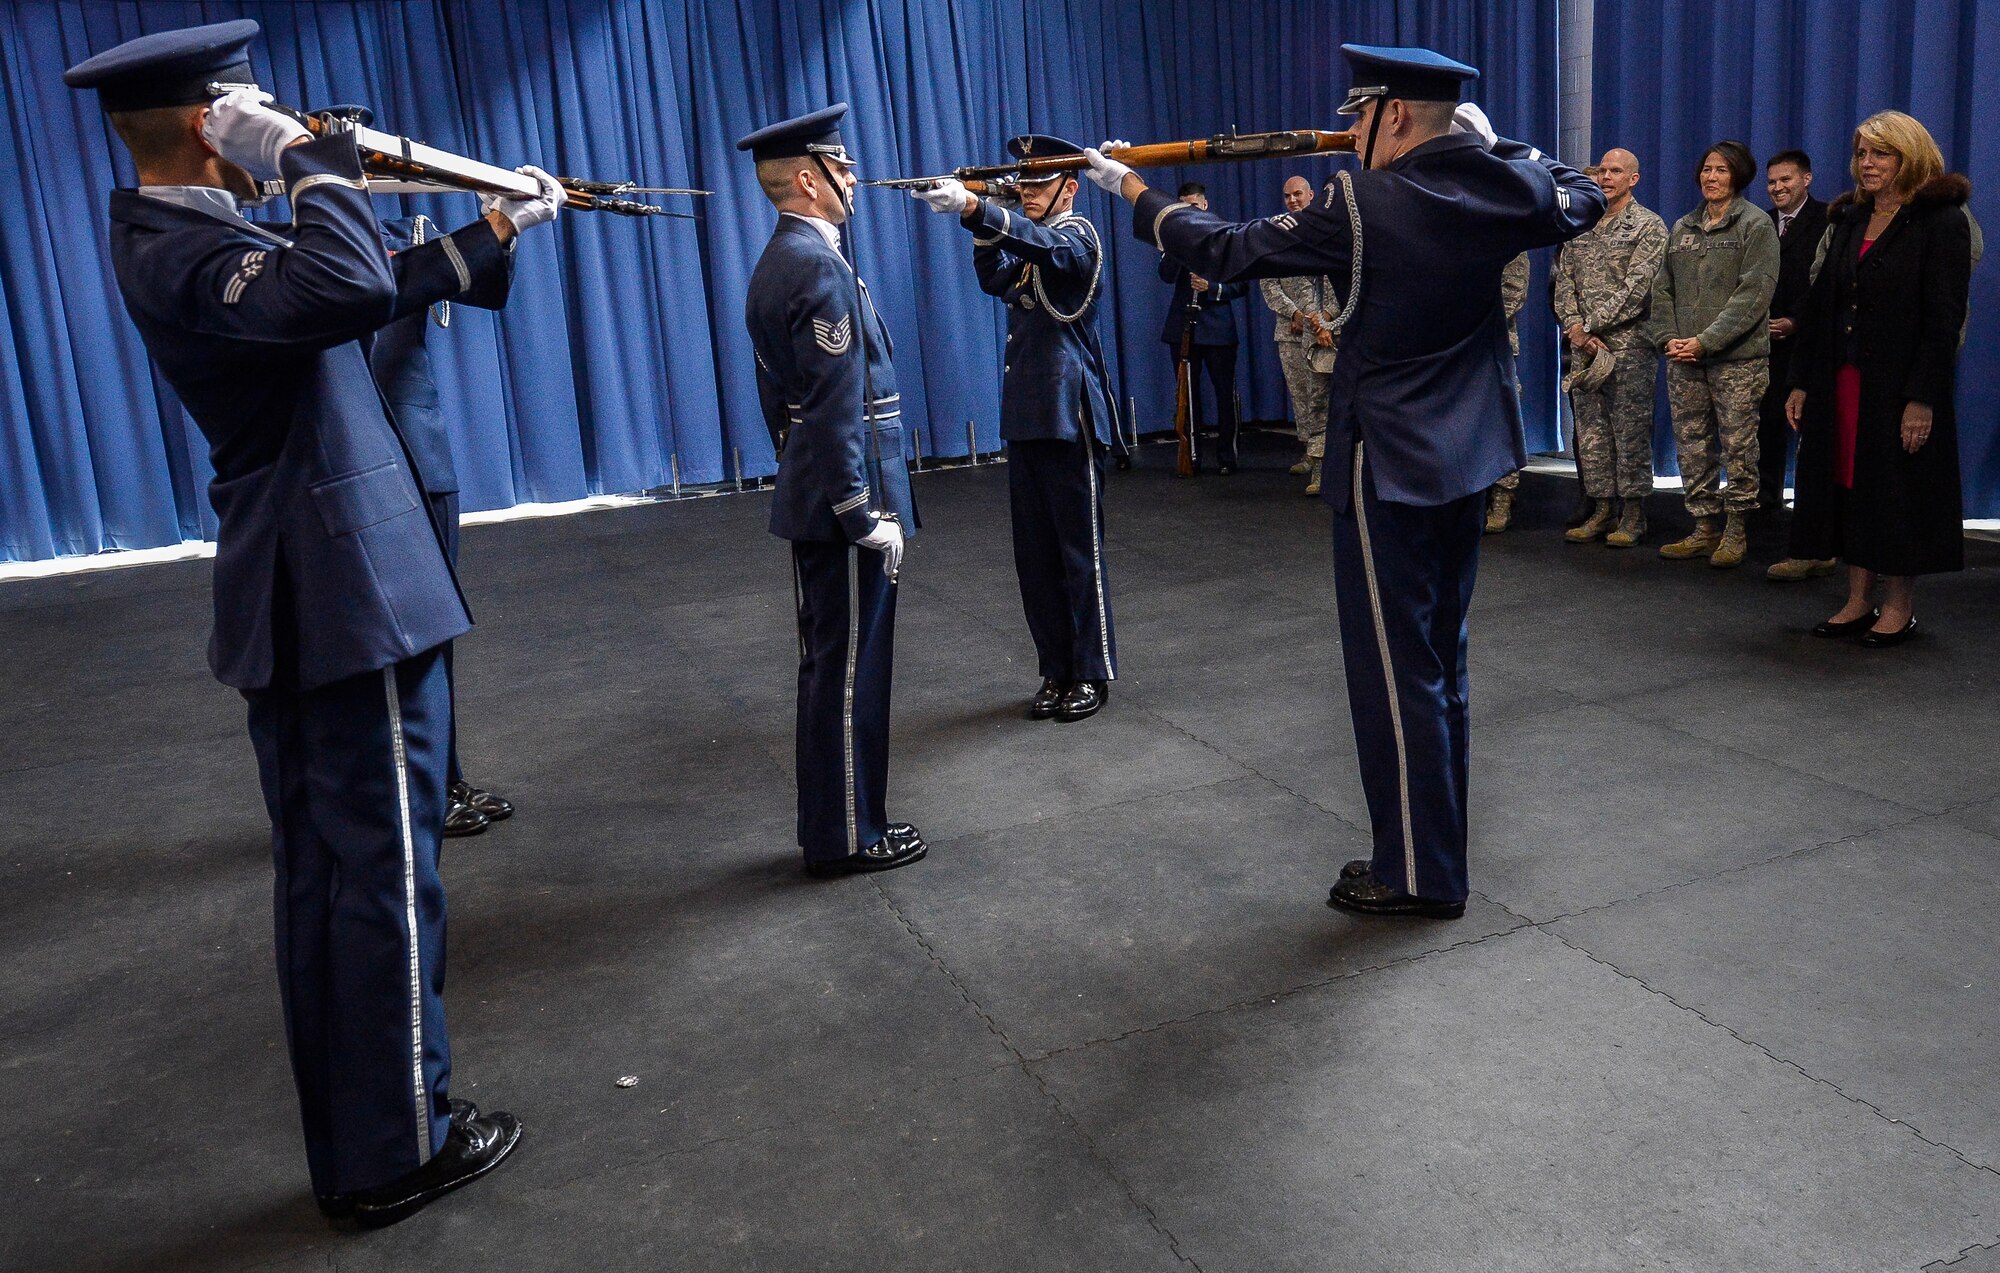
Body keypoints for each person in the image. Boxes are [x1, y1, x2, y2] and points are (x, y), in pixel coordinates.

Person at [64, 20, 556, 1224]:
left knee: (341, 877)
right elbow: (337, 281)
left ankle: (368, 1139)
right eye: (243, 105)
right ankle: (396, 1147)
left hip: (329, 586)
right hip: (340, 598)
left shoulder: (203, 237)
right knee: (381, 878)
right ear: (205, 123)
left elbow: (353, 295)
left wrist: (488, 226)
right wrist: (309, 159)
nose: (266, 119)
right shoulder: (177, 246)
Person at [1084, 44, 1603, 919]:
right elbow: (1580, 192)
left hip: (1388, 461)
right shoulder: (1505, 187)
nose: (1348, 133)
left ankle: (1417, 874)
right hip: (1469, 451)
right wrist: (1508, 149)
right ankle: (1433, 852)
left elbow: (1230, 249)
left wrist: (1134, 194)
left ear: (1392, 115)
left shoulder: (1363, 201)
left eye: (1357, 116)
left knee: (1396, 674)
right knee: (1440, 664)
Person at [739, 104, 929, 874]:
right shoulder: (815, 266)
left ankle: (834, 826)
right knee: (850, 675)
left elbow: (779, 402)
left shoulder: (782, 259)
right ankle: (852, 835)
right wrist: (860, 513)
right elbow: (831, 405)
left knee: (827, 666)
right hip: (846, 505)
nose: (854, 178)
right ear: (811, 179)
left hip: (814, 496)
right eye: (843, 167)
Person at [911, 135, 1121, 722]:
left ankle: (1091, 670)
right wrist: (979, 224)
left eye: (1038, 185)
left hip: (1068, 413)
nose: (1027, 193)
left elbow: (1046, 247)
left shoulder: (1079, 238)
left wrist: (981, 208)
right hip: (1029, 414)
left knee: (1079, 553)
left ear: (1069, 188)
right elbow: (995, 279)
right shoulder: (1034, 248)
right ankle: (1055, 668)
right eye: (1022, 185)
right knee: (1035, 556)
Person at [1784, 110, 1974, 647]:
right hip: (1840, 381)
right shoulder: (1849, 218)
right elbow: (1821, 307)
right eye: (1862, 153)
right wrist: (1801, 381)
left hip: (1897, 388)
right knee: (1848, 487)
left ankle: (1898, 608)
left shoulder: (1940, 221)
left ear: (1909, 157)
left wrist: (1923, 398)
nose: (1867, 164)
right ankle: (1856, 599)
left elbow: (1944, 319)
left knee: (1896, 494)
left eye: (1881, 153)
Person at [374, 209, 518, 838]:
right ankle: (403, 788)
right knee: (391, 638)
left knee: (437, 631)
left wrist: (501, 224)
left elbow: (485, 289)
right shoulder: (309, 242)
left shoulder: (410, 232)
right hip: (365, 460)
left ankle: (441, 776)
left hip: (422, 449)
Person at [1651, 140, 1780, 568]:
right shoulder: (1683, 227)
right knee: (1691, 446)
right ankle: (1704, 528)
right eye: (1707, 169)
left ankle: (1737, 530)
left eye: (1721, 170)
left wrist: (1706, 341)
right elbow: (1662, 288)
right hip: (1683, 358)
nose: (1711, 177)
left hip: (1737, 360)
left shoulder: (1756, 225)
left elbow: (1753, 296)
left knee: (1739, 448)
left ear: (1738, 175)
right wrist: (1668, 337)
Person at [1551, 147, 1668, 547]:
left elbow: (1638, 288)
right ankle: (1601, 509)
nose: (1605, 177)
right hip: (1584, 348)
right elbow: (1563, 279)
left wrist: (1591, 323)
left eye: (1615, 171)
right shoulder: (1580, 223)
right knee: (1592, 432)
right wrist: (1575, 328)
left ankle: (1633, 515)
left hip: (1629, 347)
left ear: (1633, 179)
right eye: (1602, 170)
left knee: (1629, 431)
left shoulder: (1648, 226)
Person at [1759, 150, 1837, 580]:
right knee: (1764, 428)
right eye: (1772, 182)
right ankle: (1766, 509)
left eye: (1786, 179)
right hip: (1763, 345)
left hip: (1810, 344)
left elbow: (1826, 285)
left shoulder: (1831, 219)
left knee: (1812, 441)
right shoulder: (1759, 221)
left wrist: (1796, 322)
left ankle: (1817, 534)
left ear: (1807, 178)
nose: (1778, 188)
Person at [1158, 182, 1247, 474]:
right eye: (1184, 207)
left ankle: (1227, 457)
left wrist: (1212, 287)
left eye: (1194, 206)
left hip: (1218, 328)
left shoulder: (1225, 235)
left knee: (1224, 395)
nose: (1189, 212)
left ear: (1205, 206)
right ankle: (1191, 454)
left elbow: (1241, 284)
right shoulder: (1173, 239)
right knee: (1187, 397)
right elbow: (1166, 276)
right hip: (1183, 327)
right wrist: (1178, 246)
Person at [1259, 175, 1339, 495]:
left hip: (1328, 331)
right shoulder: (1278, 236)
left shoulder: (1325, 232)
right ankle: (1312, 454)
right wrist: (1295, 314)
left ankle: (1329, 462)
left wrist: (1324, 319)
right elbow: (1269, 283)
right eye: (1287, 196)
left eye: (1298, 195)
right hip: (1293, 330)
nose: (1292, 200)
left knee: (1326, 399)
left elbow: (1336, 282)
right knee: (1303, 398)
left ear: (1311, 195)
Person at [1481, 251, 1533, 532]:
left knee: (1502, 421)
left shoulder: (1508, 233)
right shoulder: (1454, 228)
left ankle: (1502, 498)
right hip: (1451, 348)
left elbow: (1513, 295)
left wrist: (1467, 322)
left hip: (1494, 343)